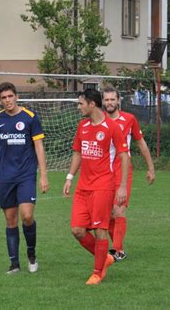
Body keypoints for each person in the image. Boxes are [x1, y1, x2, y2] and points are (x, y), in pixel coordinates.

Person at [63, 89, 129, 285]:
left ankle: (97, 272)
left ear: (92, 104)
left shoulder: (112, 127)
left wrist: (122, 186)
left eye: (81, 103)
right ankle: (105, 258)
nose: (78, 107)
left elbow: (124, 156)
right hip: (83, 187)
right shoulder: (82, 126)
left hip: (103, 186)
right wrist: (69, 177)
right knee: (77, 230)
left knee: (100, 230)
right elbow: (77, 153)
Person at [0, 82, 49, 274]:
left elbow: (39, 146)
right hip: (5, 176)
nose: (7, 100)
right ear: (0, 101)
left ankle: (31, 253)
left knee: (27, 216)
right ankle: (14, 263)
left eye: (10, 96)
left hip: (26, 174)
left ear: (17, 96)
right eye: (4, 98)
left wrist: (43, 175)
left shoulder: (30, 117)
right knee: (10, 220)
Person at [102, 85, 155, 261]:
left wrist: (150, 167)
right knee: (107, 214)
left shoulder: (129, 119)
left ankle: (116, 251)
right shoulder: (99, 120)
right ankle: (120, 249)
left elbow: (140, 143)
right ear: (103, 102)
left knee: (119, 210)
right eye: (106, 99)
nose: (109, 103)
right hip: (102, 172)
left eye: (112, 99)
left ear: (118, 101)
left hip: (122, 170)